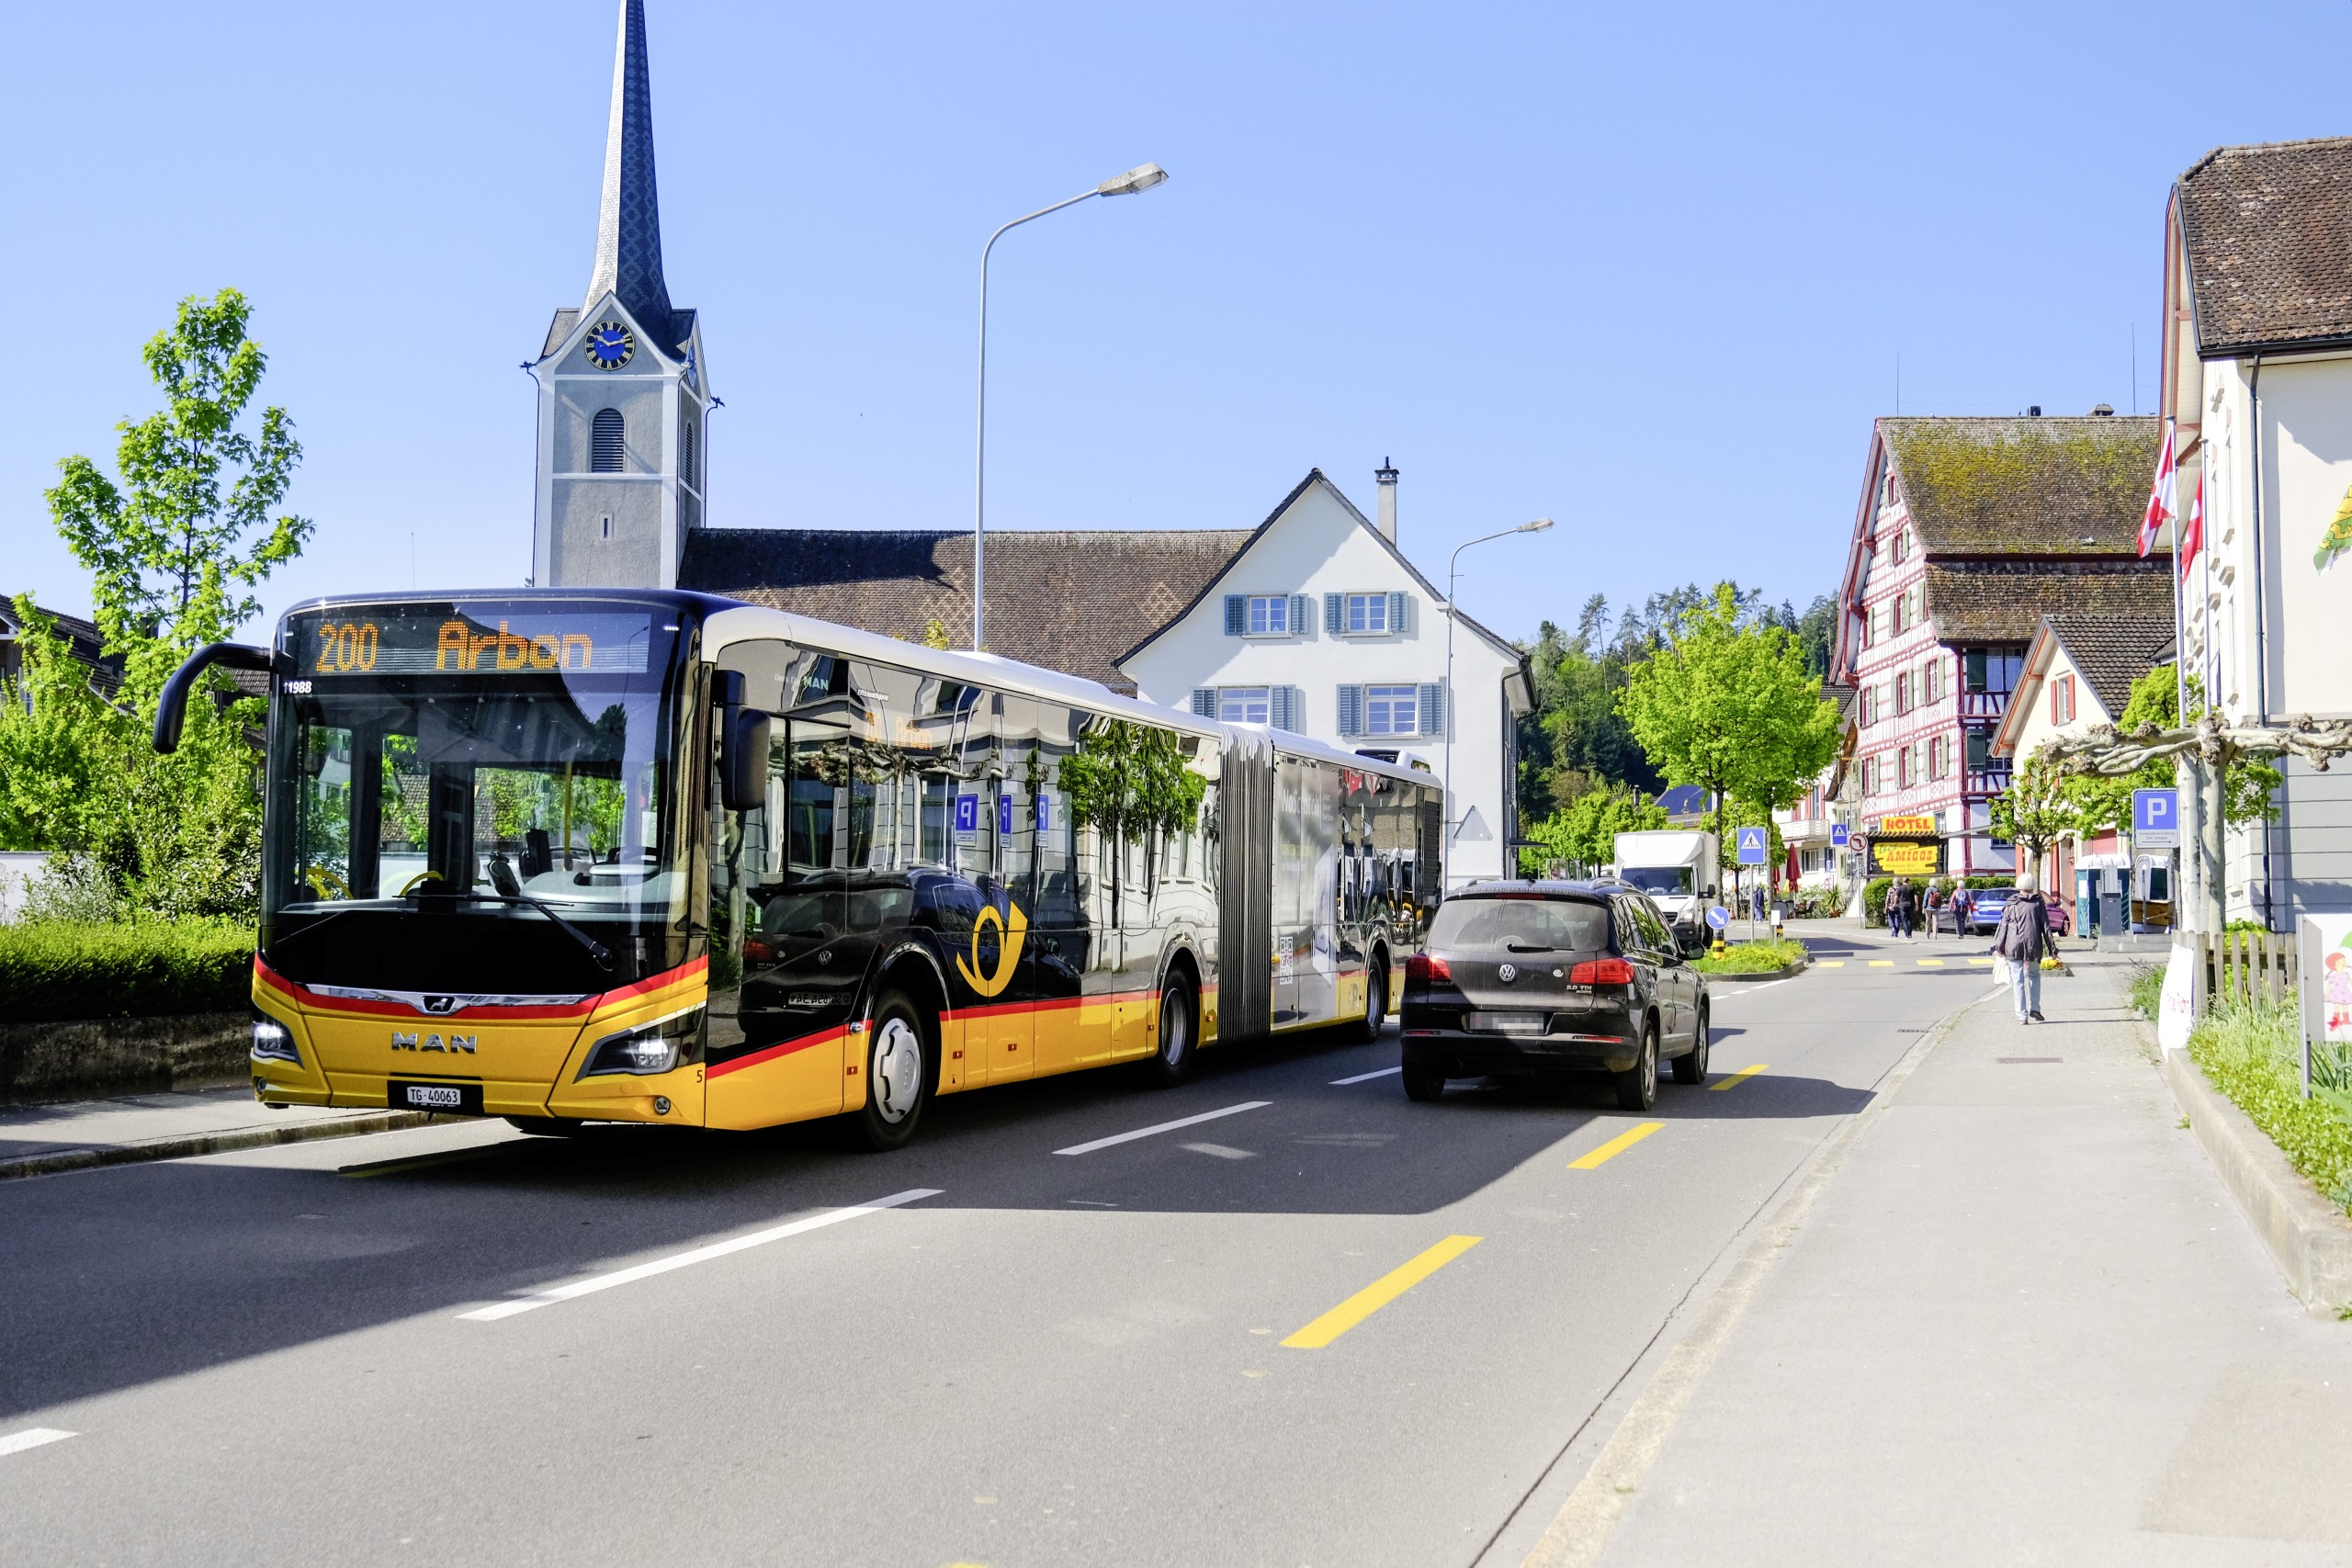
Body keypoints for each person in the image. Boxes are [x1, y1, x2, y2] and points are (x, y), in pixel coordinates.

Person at [1993, 873, 2057, 1022]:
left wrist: (1999, 948)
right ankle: (2035, 1008)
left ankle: (2022, 1016)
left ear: (2019, 886)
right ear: (2033, 886)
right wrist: (2052, 949)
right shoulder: (2038, 904)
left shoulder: (2010, 904)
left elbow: (2003, 927)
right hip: (2033, 943)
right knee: (2034, 975)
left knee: (2018, 981)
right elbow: (2046, 927)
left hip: (2013, 945)